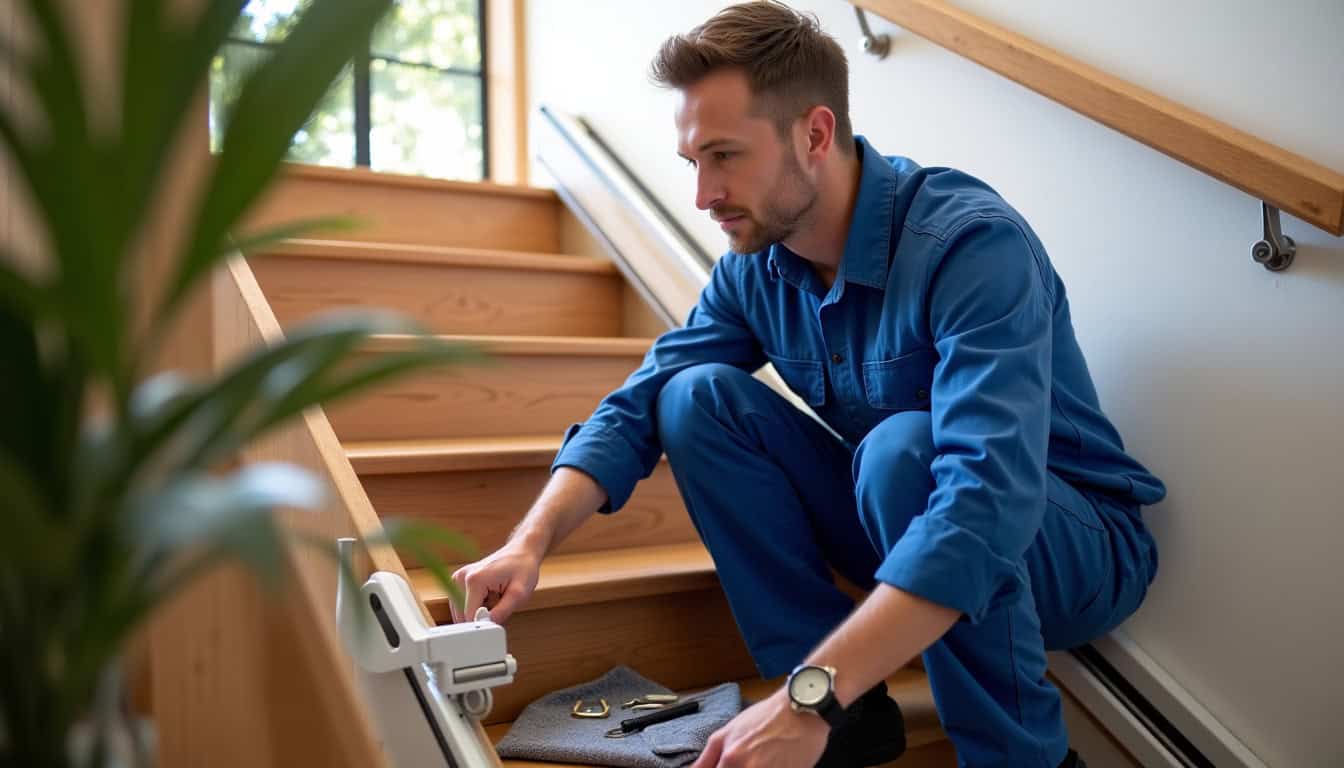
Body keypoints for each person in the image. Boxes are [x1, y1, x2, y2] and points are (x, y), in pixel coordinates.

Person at [450, 3, 1165, 766]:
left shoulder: (970, 244)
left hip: (1069, 548)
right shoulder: (754, 269)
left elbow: (984, 501)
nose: (702, 194)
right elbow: (640, 402)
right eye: (694, 161)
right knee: (692, 397)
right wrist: (528, 545)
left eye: (726, 156)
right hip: (899, 518)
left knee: (902, 451)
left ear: (815, 134)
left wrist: (804, 700)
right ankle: (849, 718)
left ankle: (1022, 757)